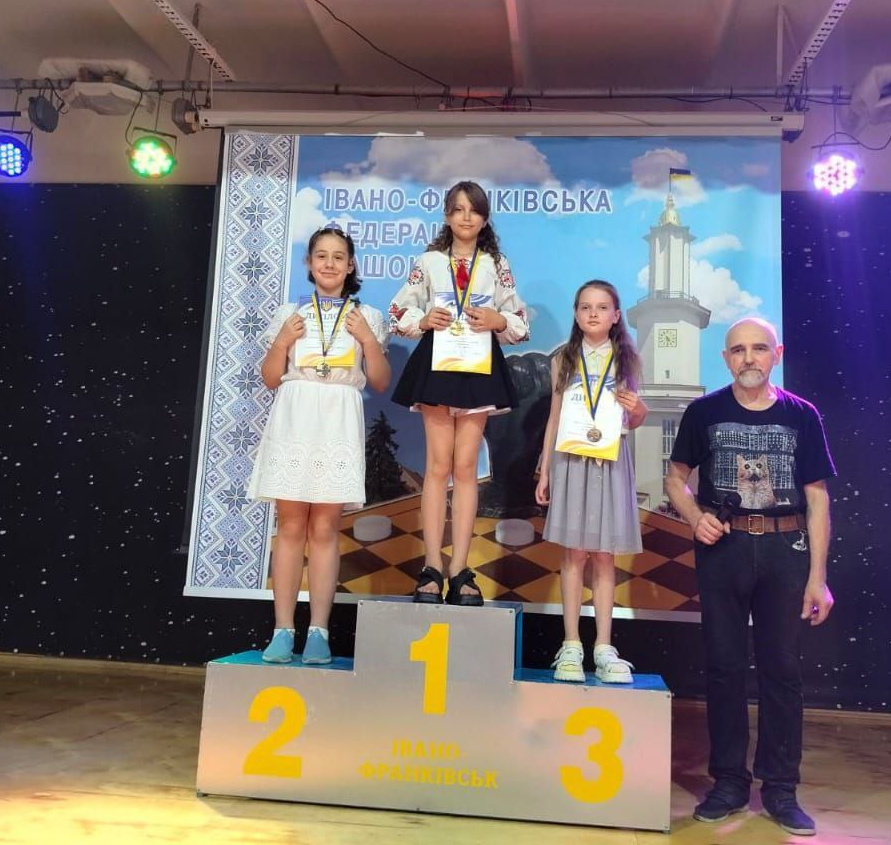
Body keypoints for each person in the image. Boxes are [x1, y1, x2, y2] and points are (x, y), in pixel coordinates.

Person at [665, 317, 835, 837]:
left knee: (782, 670)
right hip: (725, 550)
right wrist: (695, 517)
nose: (748, 358)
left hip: (786, 550)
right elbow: (674, 480)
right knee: (724, 667)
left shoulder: (802, 415)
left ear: (776, 354)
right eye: (738, 350)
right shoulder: (704, 412)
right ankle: (729, 783)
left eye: (759, 348)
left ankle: (781, 788)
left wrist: (818, 577)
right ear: (726, 358)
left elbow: (817, 499)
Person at [248, 227, 391, 664]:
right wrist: (281, 340)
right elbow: (270, 378)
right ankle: (282, 630)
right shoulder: (290, 313)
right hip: (295, 415)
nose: (329, 263)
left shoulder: (367, 315)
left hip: (338, 417)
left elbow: (380, 381)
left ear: (351, 265)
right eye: (321, 256)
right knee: (291, 527)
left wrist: (368, 339)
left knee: (326, 528)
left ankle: (319, 632)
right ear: (309, 264)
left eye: (338, 256)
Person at [389, 180, 528, 606]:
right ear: (447, 215)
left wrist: (498, 321)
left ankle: (461, 569)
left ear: (485, 219)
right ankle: (431, 566)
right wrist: (423, 318)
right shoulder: (429, 262)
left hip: (478, 368)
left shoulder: (496, 264)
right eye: (458, 209)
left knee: (466, 467)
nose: (466, 217)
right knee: (437, 466)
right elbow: (398, 311)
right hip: (438, 365)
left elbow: (518, 320)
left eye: (474, 210)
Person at [536, 281, 648, 683]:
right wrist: (545, 469)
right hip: (571, 459)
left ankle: (603, 646)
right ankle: (570, 644)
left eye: (602, 307)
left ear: (616, 315)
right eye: (585, 307)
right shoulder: (563, 359)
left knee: (604, 555)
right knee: (573, 554)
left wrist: (638, 409)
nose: (593, 314)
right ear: (576, 313)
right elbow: (554, 416)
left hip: (611, 460)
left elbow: (635, 418)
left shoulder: (628, 359)